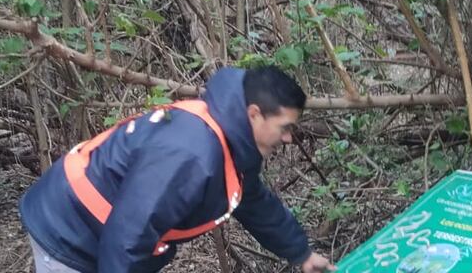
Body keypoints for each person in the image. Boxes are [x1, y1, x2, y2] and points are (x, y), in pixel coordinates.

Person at [20, 66, 335, 273]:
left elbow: (252, 201)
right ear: (255, 114)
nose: (288, 137)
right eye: (285, 127)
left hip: (103, 229)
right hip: (68, 231)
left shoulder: (234, 137)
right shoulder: (189, 156)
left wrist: (300, 253)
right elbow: (128, 236)